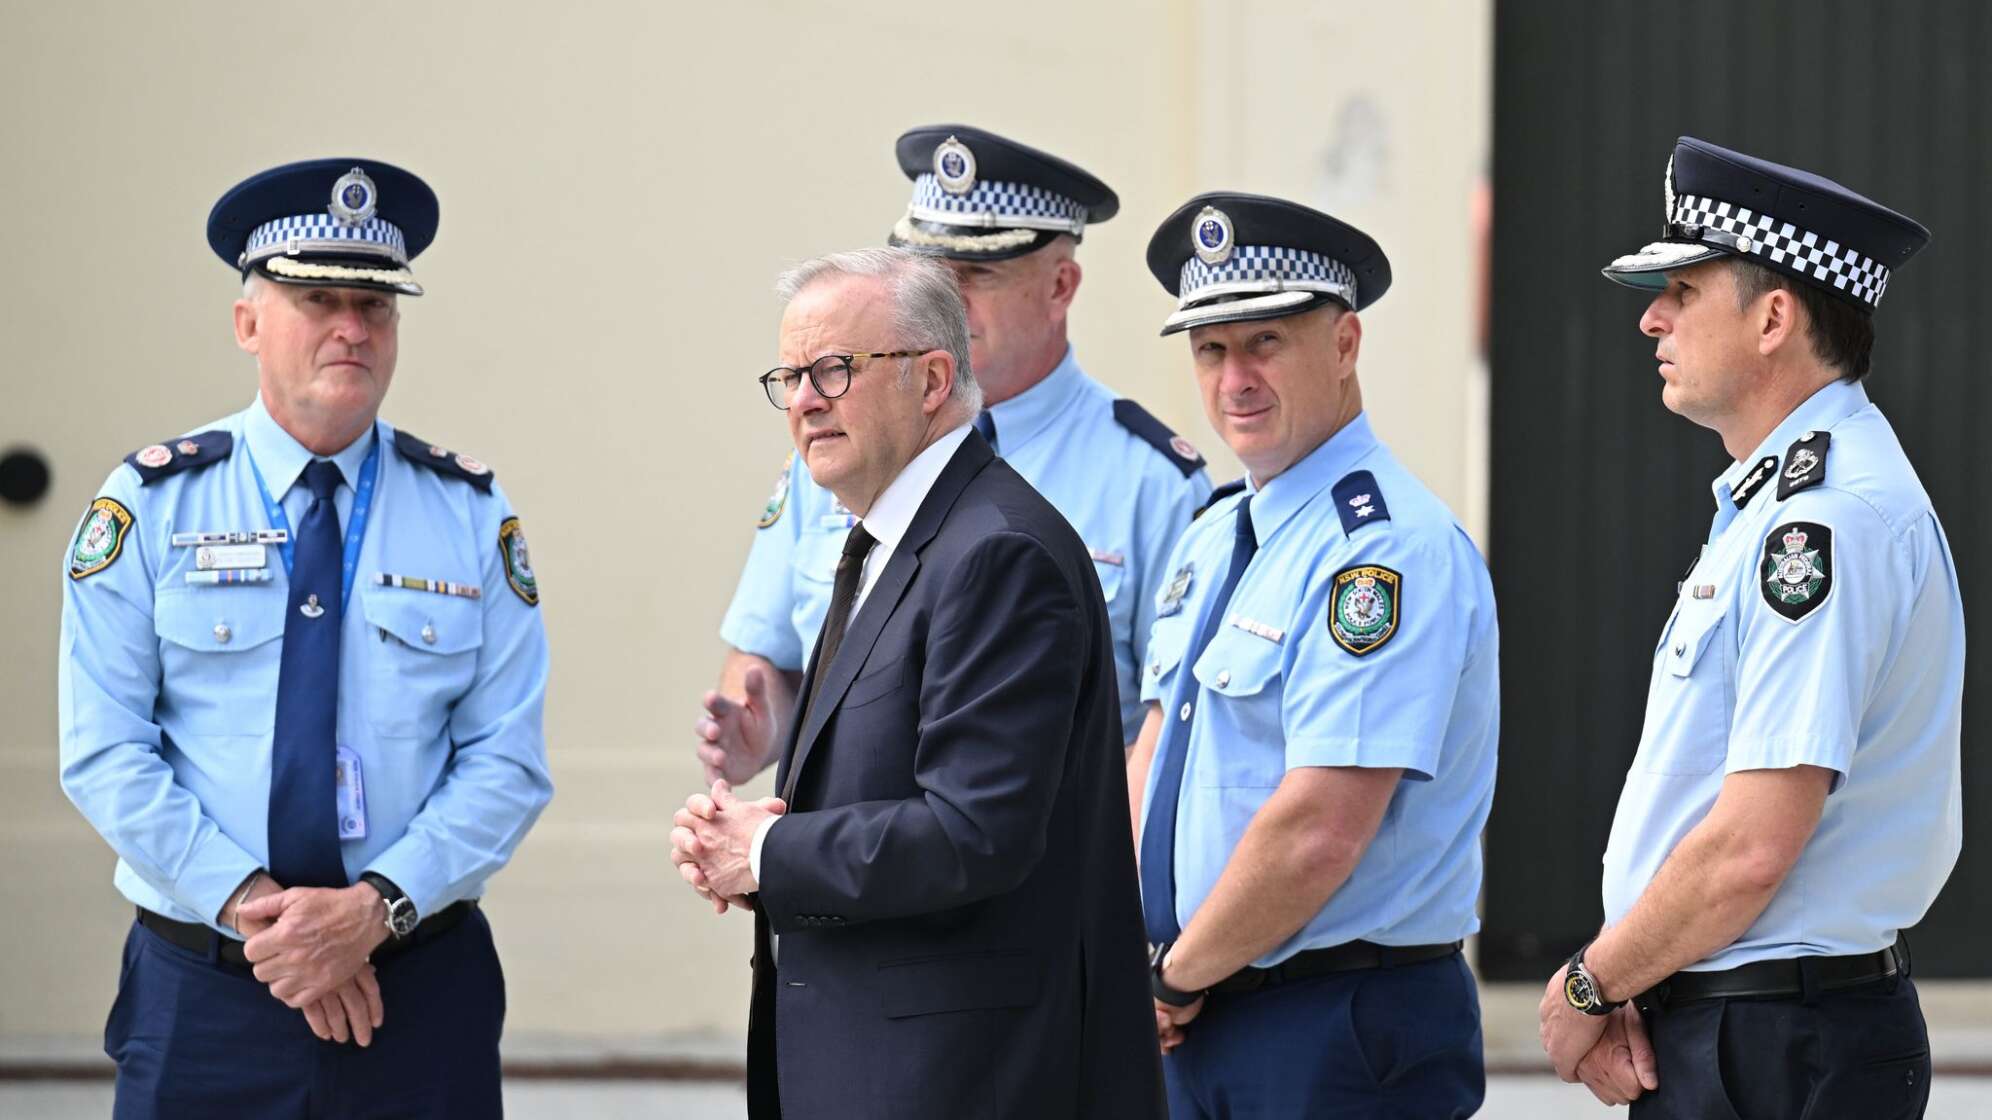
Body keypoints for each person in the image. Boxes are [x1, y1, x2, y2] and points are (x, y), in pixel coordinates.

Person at [58, 157, 553, 1118]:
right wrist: (271, 922)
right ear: (248, 324)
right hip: (208, 995)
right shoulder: (149, 504)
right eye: (318, 298)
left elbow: (508, 760)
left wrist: (371, 911)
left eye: (375, 305)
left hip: (416, 987)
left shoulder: (468, 512)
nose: (352, 327)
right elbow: (104, 749)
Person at [670, 247, 1162, 1118]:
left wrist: (767, 850)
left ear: (932, 379)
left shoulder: (996, 552)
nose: (805, 400)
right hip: (871, 1067)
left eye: (834, 369)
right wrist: (746, 852)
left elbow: (974, 831)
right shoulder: (886, 542)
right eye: (789, 378)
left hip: (963, 1082)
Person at [1537, 136, 1957, 1118]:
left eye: (1683, 290)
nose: (1651, 317)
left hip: (1777, 1045)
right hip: (1745, 1027)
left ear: (1773, 318)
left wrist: (1589, 985)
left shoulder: (1823, 521)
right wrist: (1636, 976)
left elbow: (1749, 848)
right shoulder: (1777, 503)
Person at [1131, 193, 1498, 1118]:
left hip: (1333, 1025)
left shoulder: (1382, 550)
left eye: (1265, 343)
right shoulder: (1216, 534)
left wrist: (1172, 977)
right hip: (1195, 1013)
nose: (1235, 380)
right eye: (1210, 350)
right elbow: (1153, 754)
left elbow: (1320, 828)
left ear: (1344, 343)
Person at [700, 124, 1210, 784]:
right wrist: (762, 725)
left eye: (977, 275)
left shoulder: (1151, 480)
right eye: (930, 276)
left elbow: (1174, 728)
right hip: (835, 839)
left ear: (1061, 285)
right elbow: (768, 654)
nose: (945, 302)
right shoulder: (840, 450)